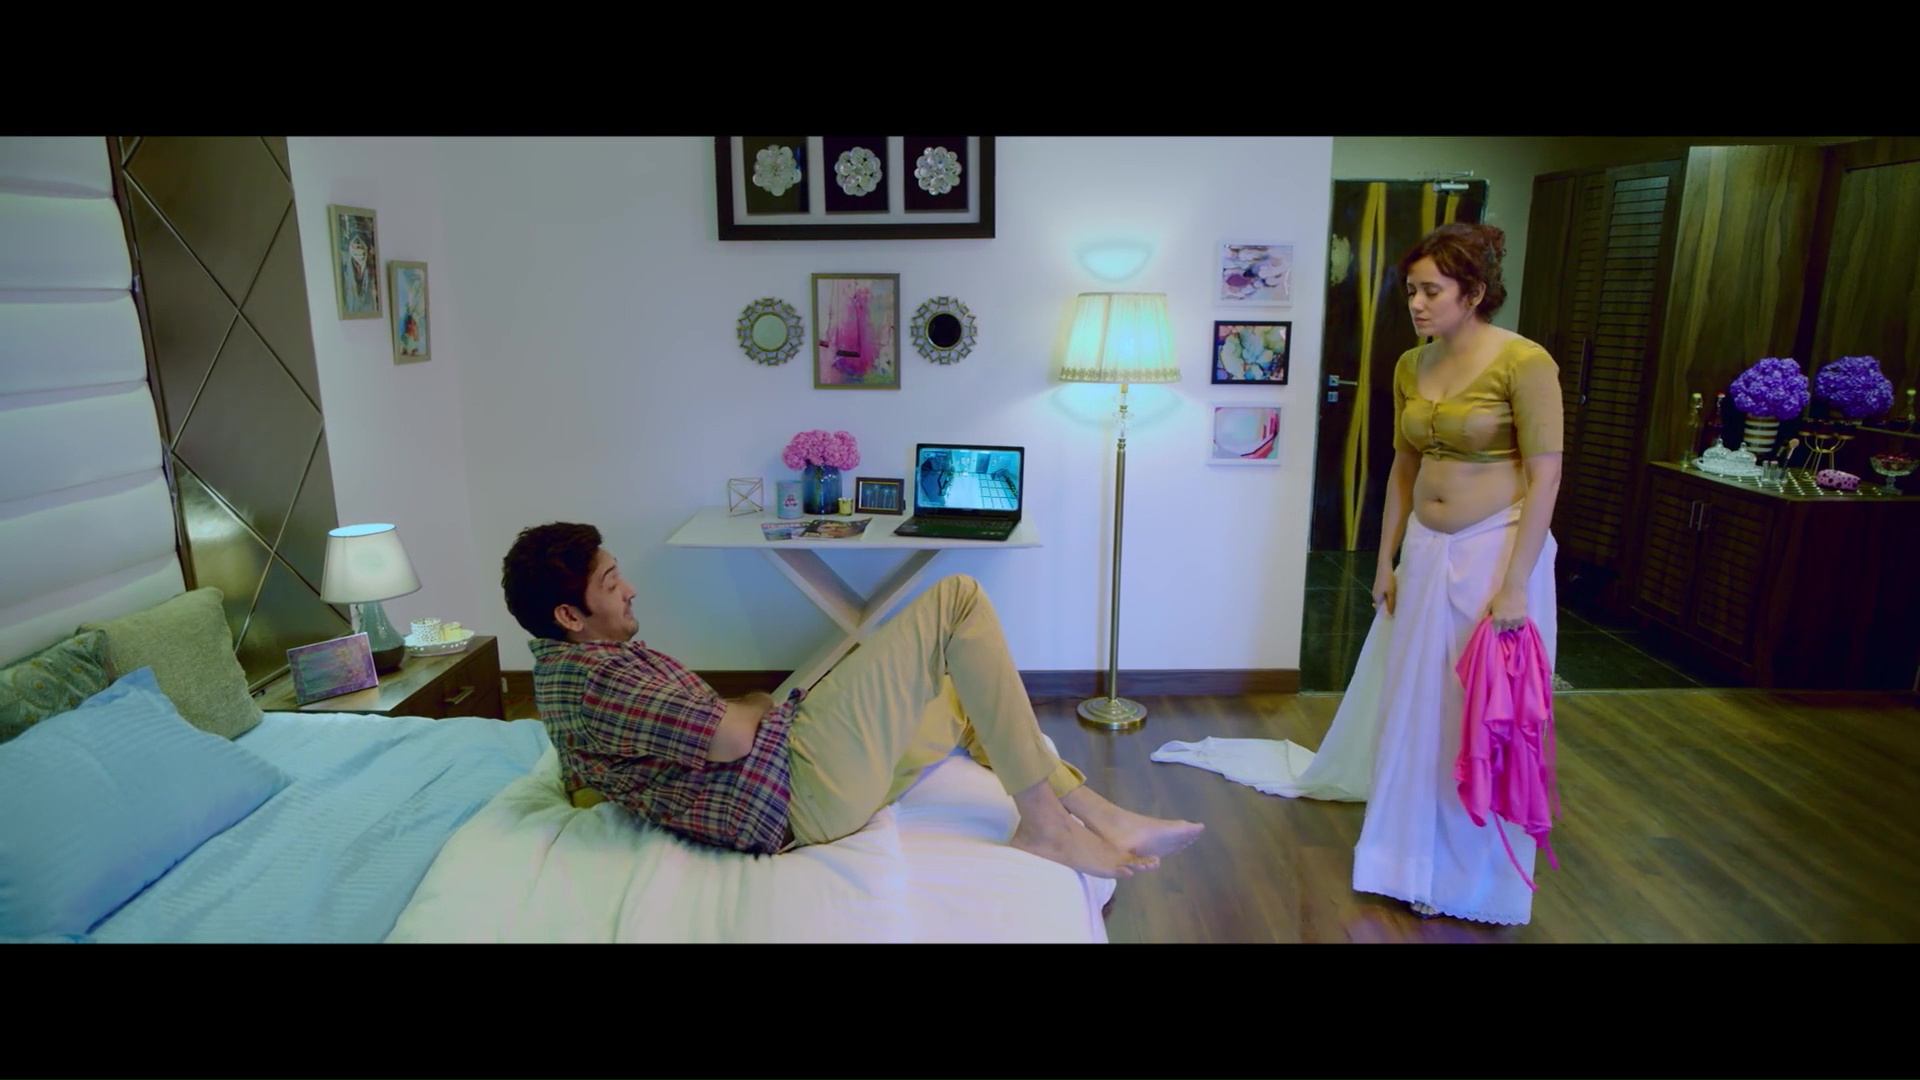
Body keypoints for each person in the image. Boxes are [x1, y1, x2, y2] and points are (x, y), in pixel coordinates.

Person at [1156, 222, 1562, 924]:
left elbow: (1547, 475)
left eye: (1431, 291)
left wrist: (1517, 582)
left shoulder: (1525, 363)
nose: (1417, 304)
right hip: (1428, 551)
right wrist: (1387, 559)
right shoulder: (1411, 365)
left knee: (1470, 715)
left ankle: (1469, 880)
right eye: (1412, 291)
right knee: (1412, 708)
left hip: (1495, 552)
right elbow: (1403, 465)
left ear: (1473, 291)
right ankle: (1402, 861)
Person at [501, 522, 1204, 880]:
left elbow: (594, 767)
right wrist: (759, 703)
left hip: (807, 786)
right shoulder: (596, 681)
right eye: (612, 583)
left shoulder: (572, 671)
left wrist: (752, 706)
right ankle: (1046, 828)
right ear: (569, 615)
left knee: (961, 689)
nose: (629, 589)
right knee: (958, 600)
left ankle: (1098, 813)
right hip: (798, 784)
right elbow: (731, 735)